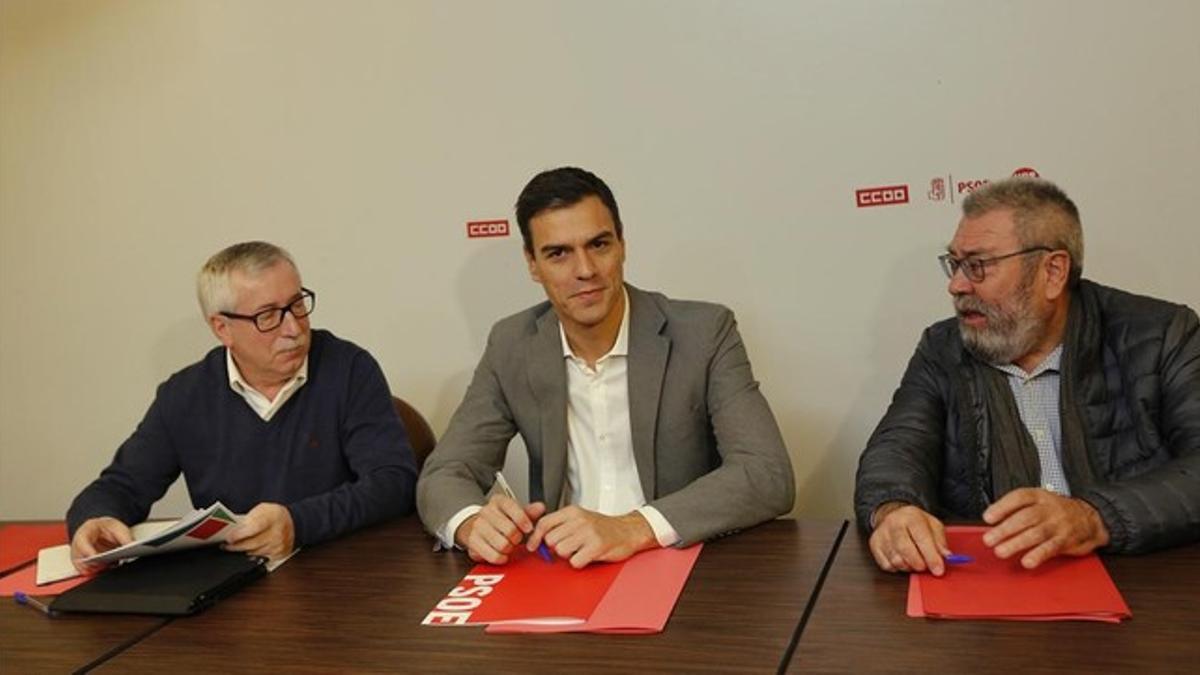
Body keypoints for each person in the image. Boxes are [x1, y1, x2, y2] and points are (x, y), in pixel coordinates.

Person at [417, 166, 794, 568]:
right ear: (532, 264)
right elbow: (446, 471)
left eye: (598, 245)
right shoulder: (512, 343)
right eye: (558, 253)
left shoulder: (704, 332)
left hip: (678, 562)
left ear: (622, 245)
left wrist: (633, 528)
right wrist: (471, 522)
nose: (585, 270)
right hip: (565, 569)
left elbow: (766, 473)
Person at [855, 177, 1200, 576]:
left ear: (1053, 272)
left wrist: (1093, 517)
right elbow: (897, 448)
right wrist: (894, 510)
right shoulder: (943, 347)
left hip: (1144, 584)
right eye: (955, 263)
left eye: (978, 266)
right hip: (993, 585)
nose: (956, 285)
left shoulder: (1161, 335)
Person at [67, 242, 417, 569]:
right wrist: (95, 518)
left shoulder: (348, 369)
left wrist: (298, 523)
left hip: (342, 574)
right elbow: (120, 487)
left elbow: (393, 482)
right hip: (232, 582)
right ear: (222, 329)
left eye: (297, 304)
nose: (293, 328)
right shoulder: (184, 395)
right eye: (268, 316)